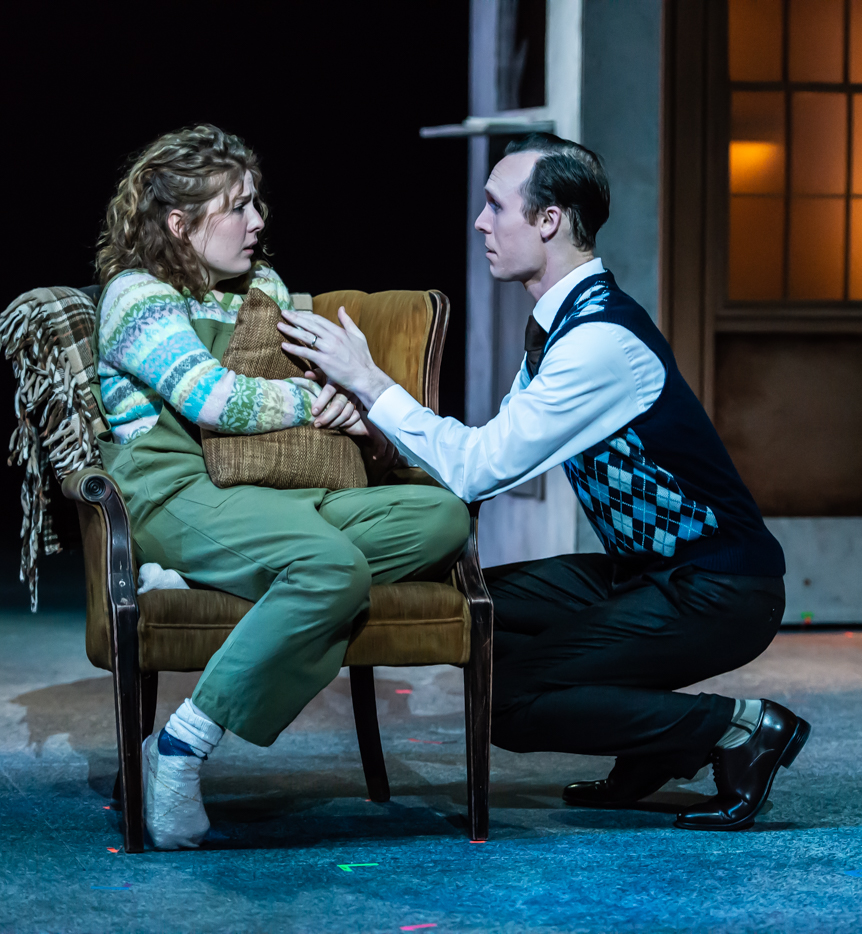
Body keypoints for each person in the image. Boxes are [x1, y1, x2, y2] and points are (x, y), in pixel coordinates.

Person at [280, 133, 809, 831]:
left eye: (497, 206)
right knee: (471, 610)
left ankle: (736, 729)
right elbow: (479, 461)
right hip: (643, 575)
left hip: (719, 589)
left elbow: (476, 468)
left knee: (506, 700)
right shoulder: (561, 328)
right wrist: (373, 429)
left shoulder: (598, 342)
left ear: (549, 220)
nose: (481, 222)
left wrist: (370, 380)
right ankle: (652, 743)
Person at [93, 124, 470, 849]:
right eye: (237, 206)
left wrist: (348, 411)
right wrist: (318, 401)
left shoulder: (259, 289)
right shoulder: (135, 296)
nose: (258, 220)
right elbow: (214, 399)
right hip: (174, 487)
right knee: (332, 568)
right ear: (180, 224)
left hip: (269, 482)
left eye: (256, 202)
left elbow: (290, 394)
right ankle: (181, 745)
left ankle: (233, 574)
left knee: (440, 517)